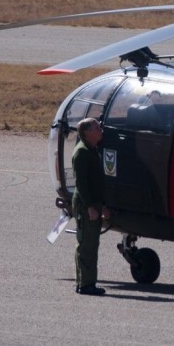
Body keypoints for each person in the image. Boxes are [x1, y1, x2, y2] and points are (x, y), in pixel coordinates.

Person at [72, 117, 111, 295]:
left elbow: (96, 183)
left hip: (93, 203)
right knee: (87, 245)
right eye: (96, 127)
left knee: (90, 244)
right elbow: (82, 184)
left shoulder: (92, 150)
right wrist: (90, 207)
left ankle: (83, 282)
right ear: (87, 132)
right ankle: (86, 285)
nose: (100, 129)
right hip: (85, 205)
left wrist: (101, 205)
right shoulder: (82, 153)